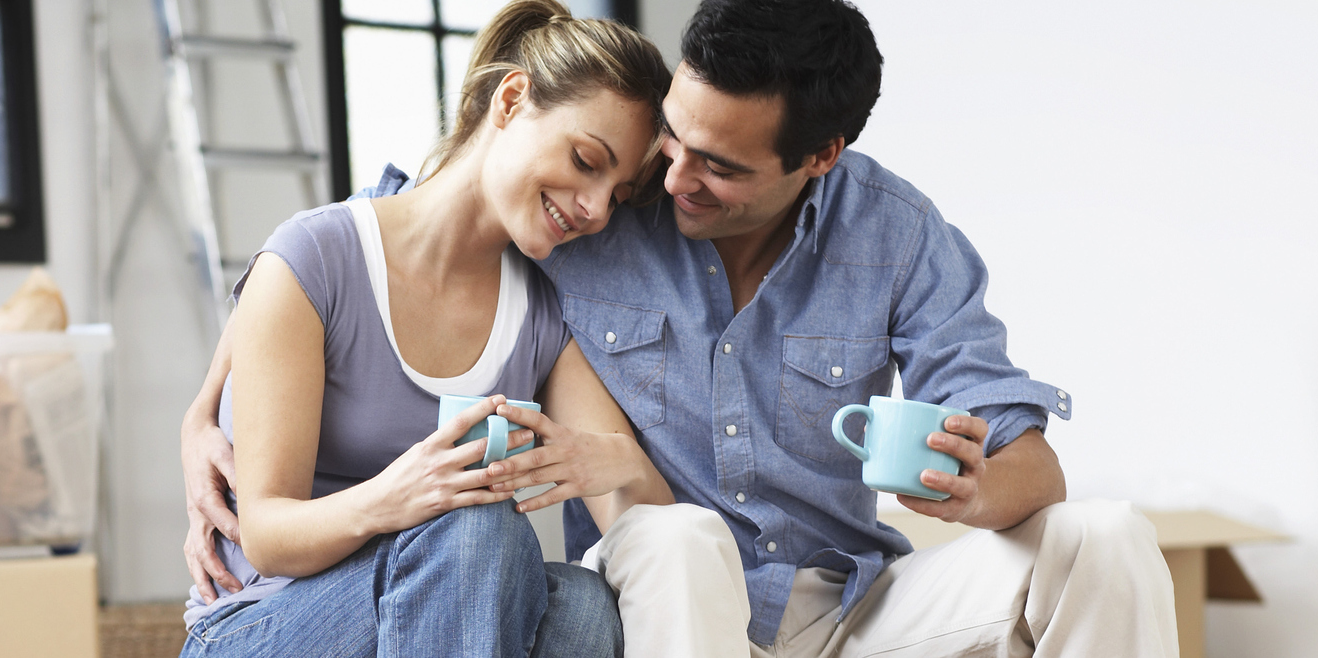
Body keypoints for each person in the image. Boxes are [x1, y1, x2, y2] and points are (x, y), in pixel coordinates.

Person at [185, 0, 1182, 655]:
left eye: (718, 165)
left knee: (1104, 533)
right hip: (670, 591)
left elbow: (1027, 461)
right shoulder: (592, 209)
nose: (666, 182)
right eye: (669, 143)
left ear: (817, 157)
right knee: (649, 540)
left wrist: (974, 484)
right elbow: (411, 219)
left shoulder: (894, 233)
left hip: (846, 604)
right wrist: (205, 405)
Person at [178, 2, 675, 655]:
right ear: (511, 99)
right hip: (260, 623)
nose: (594, 210)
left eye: (617, 193)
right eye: (586, 160)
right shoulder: (316, 257)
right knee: (470, 525)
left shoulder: (543, 316)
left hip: (429, 615)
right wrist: (400, 497)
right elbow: (266, 535)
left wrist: (624, 460)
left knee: (582, 607)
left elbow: (645, 528)